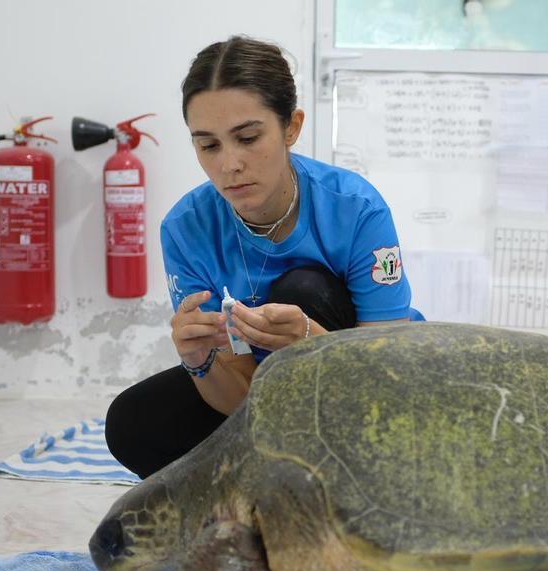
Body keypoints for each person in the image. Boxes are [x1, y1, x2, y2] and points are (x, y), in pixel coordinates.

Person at [106, 36, 416, 479]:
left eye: (248, 138)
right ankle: (292, 478)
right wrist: (200, 361)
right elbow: (240, 396)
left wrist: (312, 342)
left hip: (361, 389)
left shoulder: (356, 209)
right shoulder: (185, 228)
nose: (230, 164)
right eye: (208, 145)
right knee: (133, 423)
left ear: (291, 128)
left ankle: (307, 474)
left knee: (303, 289)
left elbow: (389, 371)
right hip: (262, 391)